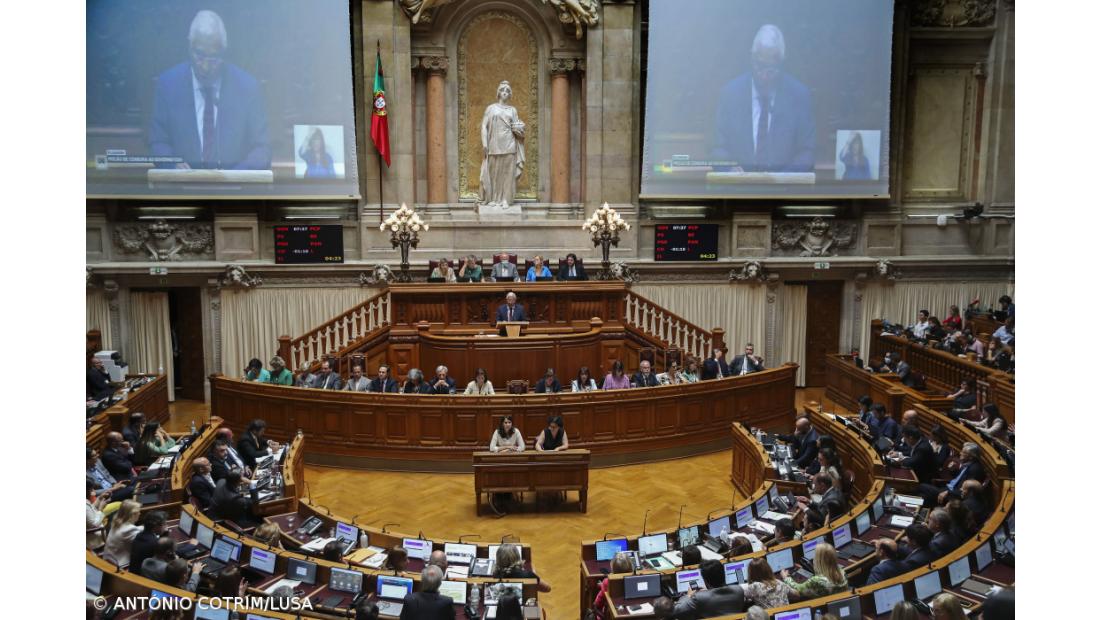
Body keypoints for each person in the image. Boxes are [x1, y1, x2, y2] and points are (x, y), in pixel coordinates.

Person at [149, 10, 271, 171]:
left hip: (234, 191)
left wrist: (236, 174)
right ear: (189, 47)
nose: (206, 66)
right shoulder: (168, 85)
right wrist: (172, 164)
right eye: (199, 55)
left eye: (214, 57)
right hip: (182, 189)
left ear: (224, 51)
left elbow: (262, 149)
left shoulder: (247, 87)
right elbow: (158, 143)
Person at [712, 24, 814, 172]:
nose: (764, 75)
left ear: (782, 62)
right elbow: (717, 148)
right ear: (752, 58)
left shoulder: (799, 96)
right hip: (739, 191)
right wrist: (729, 169)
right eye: (760, 66)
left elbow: (807, 153)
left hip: (784, 191)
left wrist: (781, 179)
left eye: (771, 68)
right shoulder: (730, 94)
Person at [479, 81, 526, 207]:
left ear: (510, 95)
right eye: (503, 90)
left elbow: (517, 127)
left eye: (507, 91)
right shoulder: (491, 108)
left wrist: (520, 130)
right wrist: (484, 143)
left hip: (509, 144)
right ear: (498, 93)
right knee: (494, 172)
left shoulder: (512, 110)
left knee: (508, 173)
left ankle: (506, 199)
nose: (505, 93)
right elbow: (484, 126)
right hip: (494, 144)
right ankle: (493, 198)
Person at [672, 559, 746, 618]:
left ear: (705, 581)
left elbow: (677, 610)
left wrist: (688, 596)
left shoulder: (700, 597)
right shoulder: (739, 590)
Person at [782, 543, 847, 598]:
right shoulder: (842, 572)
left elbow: (798, 590)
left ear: (820, 561)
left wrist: (786, 578)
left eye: (815, 556)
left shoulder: (817, 580)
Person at [103, 499, 143, 567]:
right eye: (139, 512)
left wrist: (143, 527)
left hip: (109, 558)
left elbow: (134, 529)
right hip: (121, 564)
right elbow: (141, 545)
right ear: (132, 514)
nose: (140, 514)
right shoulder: (129, 529)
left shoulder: (116, 522)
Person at [87, 478, 111, 549]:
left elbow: (91, 509)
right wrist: (101, 509)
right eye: (91, 490)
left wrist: (99, 498)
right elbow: (94, 524)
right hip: (96, 536)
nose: (94, 491)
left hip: (100, 527)